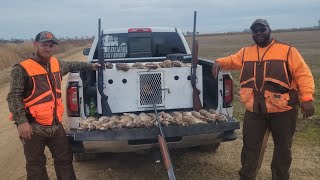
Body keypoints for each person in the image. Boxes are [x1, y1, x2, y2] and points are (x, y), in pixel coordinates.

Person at [212, 19, 315, 180]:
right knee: (250, 147)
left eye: (262, 29)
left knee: (283, 149)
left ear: (269, 30)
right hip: (255, 110)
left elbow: (303, 74)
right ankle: (246, 176)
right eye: (255, 31)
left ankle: (280, 177)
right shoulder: (247, 52)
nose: (258, 33)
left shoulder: (287, 50)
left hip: (283, 110)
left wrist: (307, 98)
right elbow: (233, 60)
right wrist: (219, 62)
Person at [7, 31, 100, 180]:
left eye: (51, 45)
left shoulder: (56, 64)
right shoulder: (22, 69)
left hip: (55, 125)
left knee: (65, 159)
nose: (48, 48)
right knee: (35, 165)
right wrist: (21, 122)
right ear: (35, 45)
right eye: (44, 45)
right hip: (33, 127)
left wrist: (91, 66)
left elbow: (72, 64)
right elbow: (13, 96)